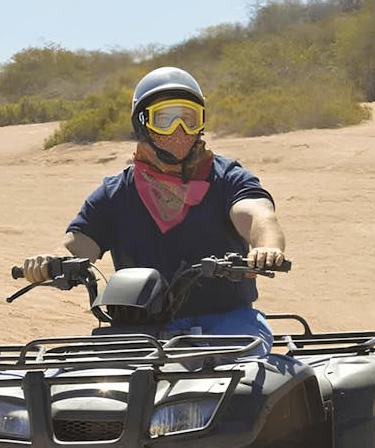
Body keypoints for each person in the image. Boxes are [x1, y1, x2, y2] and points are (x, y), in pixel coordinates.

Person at [21, 66, 286, 353]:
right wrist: (52, 264)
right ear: (143, 124)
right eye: (165, 120)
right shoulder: (116, 192)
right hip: (139, 328)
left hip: (227, 321)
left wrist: (267, 248)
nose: (179, 131)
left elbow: (257, 215)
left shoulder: (227, 178)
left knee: (244, 372)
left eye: (188, 118)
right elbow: (80, 244)